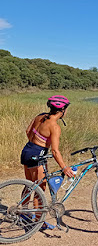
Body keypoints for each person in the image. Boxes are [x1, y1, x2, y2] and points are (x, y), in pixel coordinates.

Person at [20, 95, 74, 229]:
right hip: (37, 155)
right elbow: (55, 151)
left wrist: (36, 142)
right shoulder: (54, 127)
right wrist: (64, 168)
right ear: (62, 110)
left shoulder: (40, 116)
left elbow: (28, 131)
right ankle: (39, 222)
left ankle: (24, 211)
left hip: (27, 150)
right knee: (39, 189)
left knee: (29, 184)